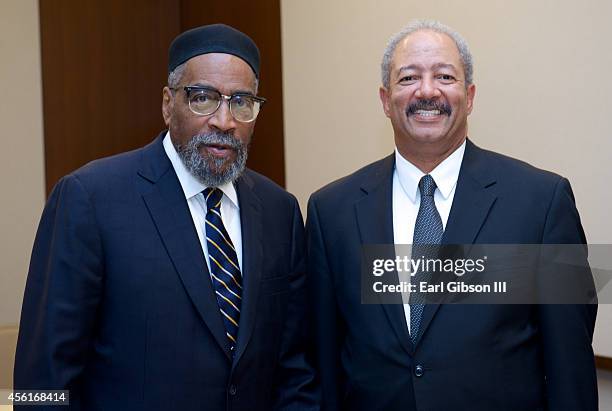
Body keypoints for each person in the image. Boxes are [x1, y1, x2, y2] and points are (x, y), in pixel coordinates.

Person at [15, 24, 317, 411]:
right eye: (203, 98)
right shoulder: (90, 199)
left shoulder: (280, 212)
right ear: (167, 103)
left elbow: (295, 371)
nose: (224, 121)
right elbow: (42, 381)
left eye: (241, 101)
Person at [306, 20, 598, 410]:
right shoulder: (331, 212)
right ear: (384, 99)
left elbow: (570, 367)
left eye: (444, 76)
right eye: (409, 77)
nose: (427, 91)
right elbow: (323, 363)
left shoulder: (542, 202)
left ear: (470, 95)